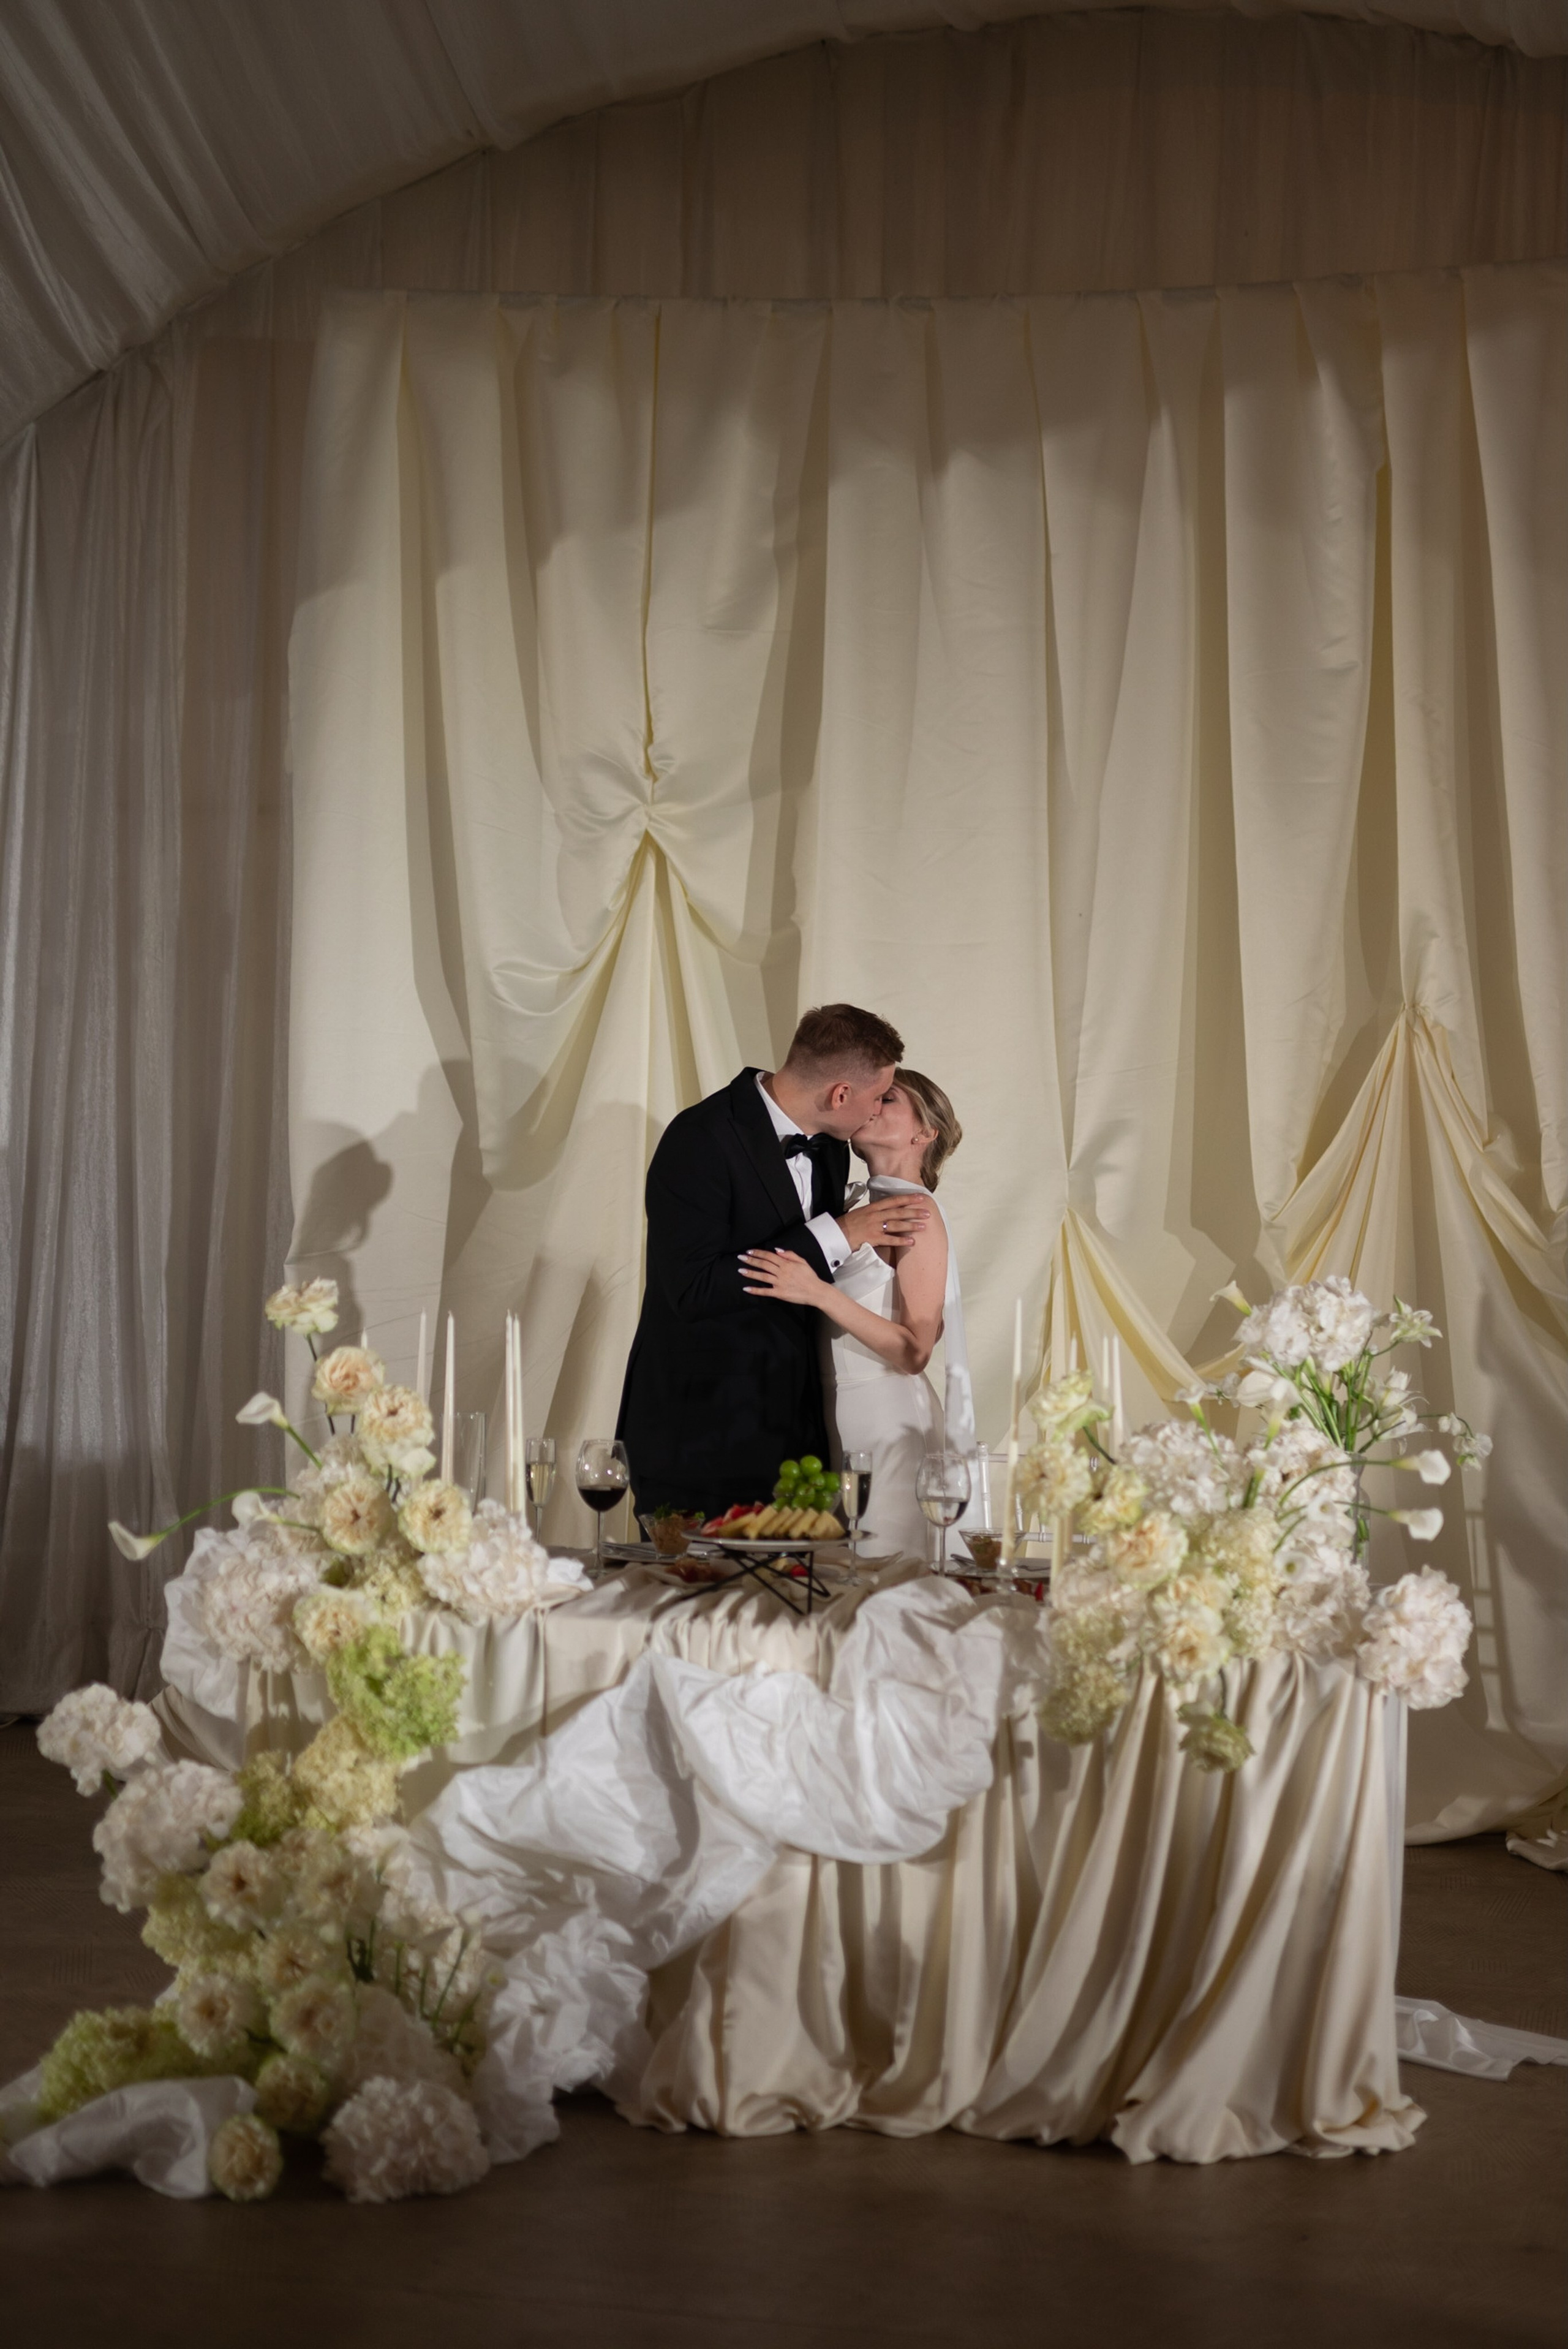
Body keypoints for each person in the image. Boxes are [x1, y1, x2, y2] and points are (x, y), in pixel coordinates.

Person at [617, 1005, 931, 1518]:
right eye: (878, 1097)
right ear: (841, 1095)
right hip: (698, 1437)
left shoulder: (832, 1149)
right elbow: (692, 1289)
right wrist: (839, 1233)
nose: (877, 1110)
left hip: (796, 1438)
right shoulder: (699, 1138)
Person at [740, 1068, 970, 1560]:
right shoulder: (855, 1201)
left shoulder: (917, 1212)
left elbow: (916, 1353)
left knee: (885, 1571)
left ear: (925, 1132)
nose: (870, 1105)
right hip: (834, 1414)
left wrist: (818, 1293)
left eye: (888, 1098)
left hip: (888, 1419)